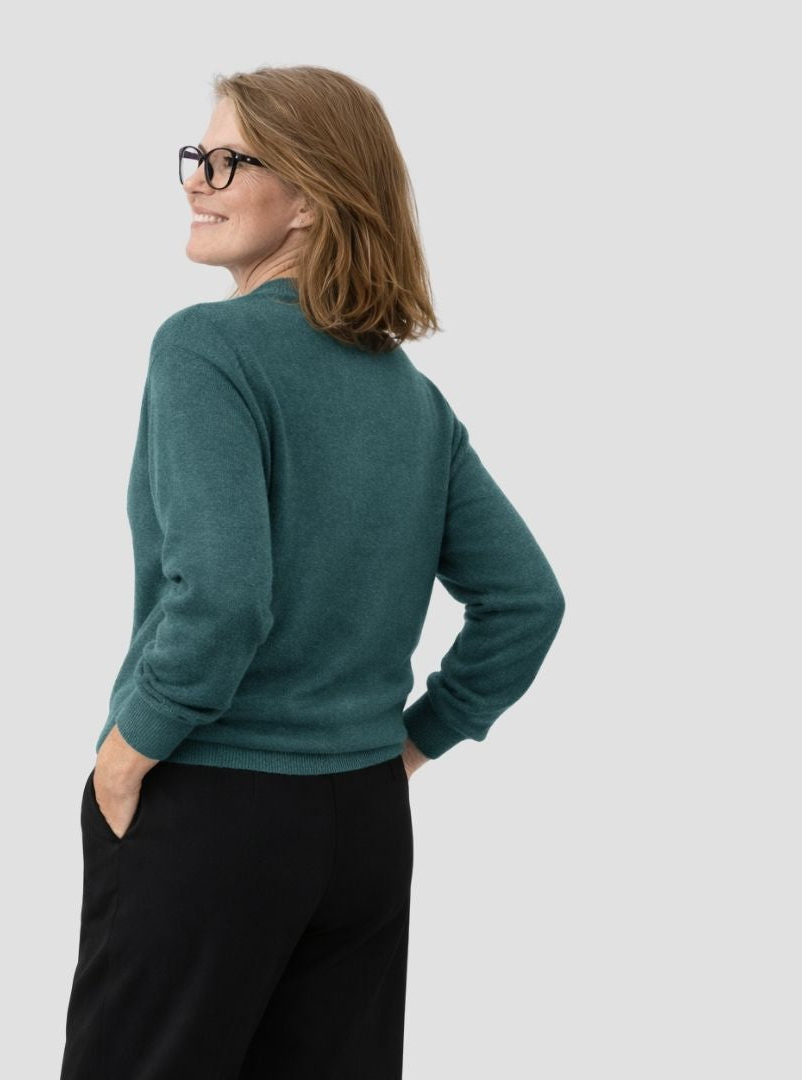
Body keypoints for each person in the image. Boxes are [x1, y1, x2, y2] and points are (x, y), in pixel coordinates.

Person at [59, 64, 565, 1080]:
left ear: (310, 200)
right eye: (196, 156)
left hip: (213, 807)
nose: (196, 179)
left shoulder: (205, 350)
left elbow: (223, 600)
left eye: (228, 161)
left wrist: (127, 752)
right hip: (364, 828)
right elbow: (525, 601)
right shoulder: (409, 397)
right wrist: (410, 747)